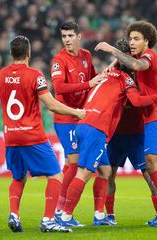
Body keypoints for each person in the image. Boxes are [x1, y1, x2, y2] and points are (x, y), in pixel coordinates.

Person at [0, 35, 87, 233]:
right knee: (56, 176)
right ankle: (47, 220)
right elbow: (51, 104)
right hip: (33, 136)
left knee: (18, 177)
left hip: (11, 137)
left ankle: (14, 214)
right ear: (29, 53)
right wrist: (76, 112)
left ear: (12, 53)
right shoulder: (34, 75)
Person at [58, 59, 157, 227]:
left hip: (86, 123)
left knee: (105, 171)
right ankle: (65, 216)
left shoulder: (105, 74)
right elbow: (137, 101)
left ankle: (100, 215)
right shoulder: (126, 79)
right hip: (97, 128)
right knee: (84, 172)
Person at [95, 20, 157, 227]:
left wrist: (111, 50)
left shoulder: (149, 56)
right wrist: (116, 62)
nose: (132, 43)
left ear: (147, 41)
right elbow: (130, 62)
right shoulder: (138, 57)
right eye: (131, 39)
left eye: (136, 39)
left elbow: (136, 65)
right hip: (155, 117)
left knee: (153, 165)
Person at [105, 39, 157, 226]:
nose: (125, 58)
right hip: (116, 134)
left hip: (136, 134)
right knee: (108, 175)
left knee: (149, 174)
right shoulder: (112, 74)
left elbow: (140, 99)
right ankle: (109, 215)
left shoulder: (140, 73)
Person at [50, 21, 103, 223]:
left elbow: (93, 79)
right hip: (65, 116)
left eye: (70, 36)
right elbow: (60, 88)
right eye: (64, 36)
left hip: (82, 117)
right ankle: (60, 209)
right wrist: (88, 84)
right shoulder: (59, 60)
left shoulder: (86, 56)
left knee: (72, 162)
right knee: (74, 160)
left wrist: (105, 78)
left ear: (79, 36)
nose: (67, 40)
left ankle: (60, 208)